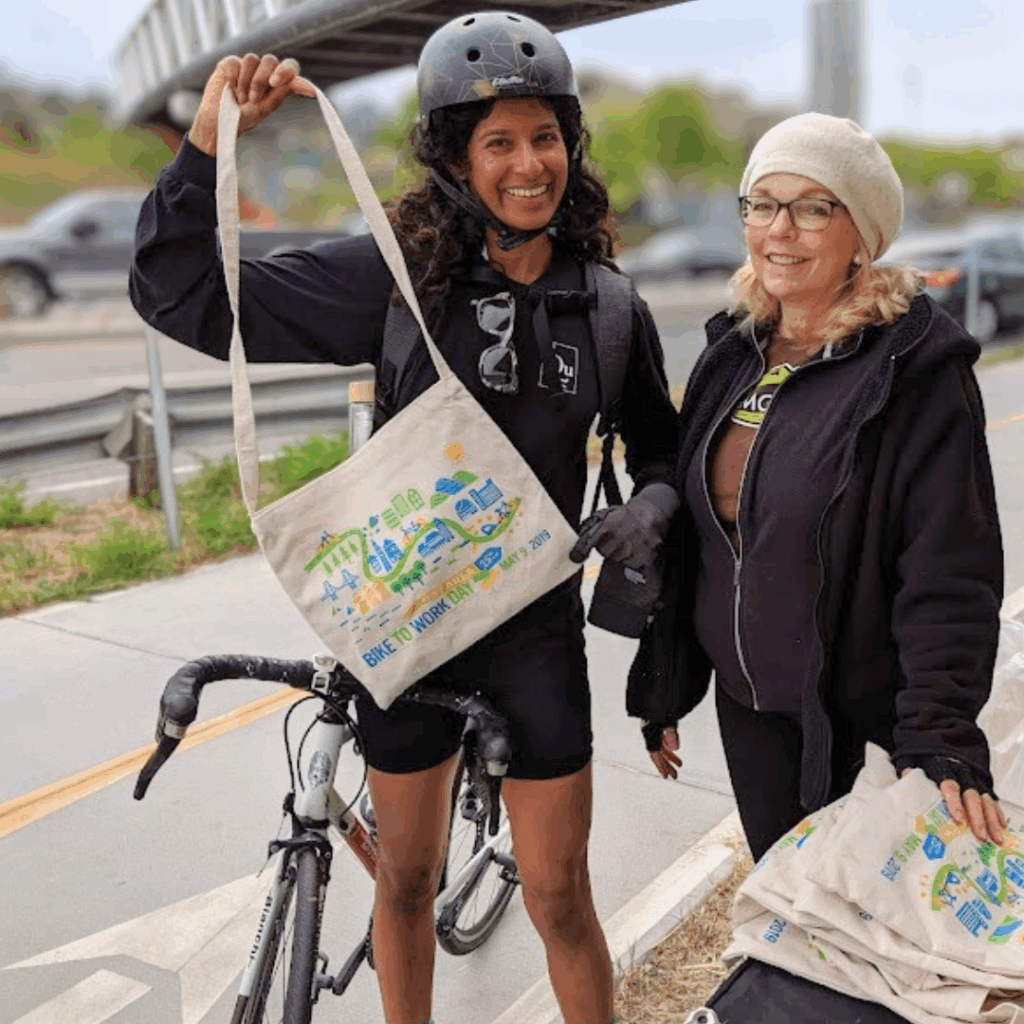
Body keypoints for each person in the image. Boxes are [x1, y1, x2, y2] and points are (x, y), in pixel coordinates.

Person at [129, 12, 679, 1024]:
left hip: (536, 634)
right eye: (498, 141)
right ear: (454, 156)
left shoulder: (605, 305)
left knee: (559, 894)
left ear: (570, 145)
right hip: (409, 629)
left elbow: (660, 444)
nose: (528, 164)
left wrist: (652, 495)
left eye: (545, 135)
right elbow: (185, 297)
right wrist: (210, 139)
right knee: (405, 883)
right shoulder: (395, 274)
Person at [627, 111, 1008, 863]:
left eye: (812, 208)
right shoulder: (731, 354)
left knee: (866, 939)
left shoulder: (916, 375)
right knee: (790, 911)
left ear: (860, 236)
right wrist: (668, 680)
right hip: (753, 716)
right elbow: (707, 541)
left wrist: (940, 735)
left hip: (862, 723)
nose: (780, 229)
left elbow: (950, 570)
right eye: (763, 204)